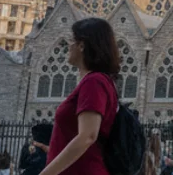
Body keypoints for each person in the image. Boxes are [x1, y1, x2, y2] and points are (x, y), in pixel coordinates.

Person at [40, 18, 120, 175]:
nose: (68, 46)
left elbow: (88, 136)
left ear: (82, 45)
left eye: (72, 41)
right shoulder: (95, 82)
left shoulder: (94, 82)